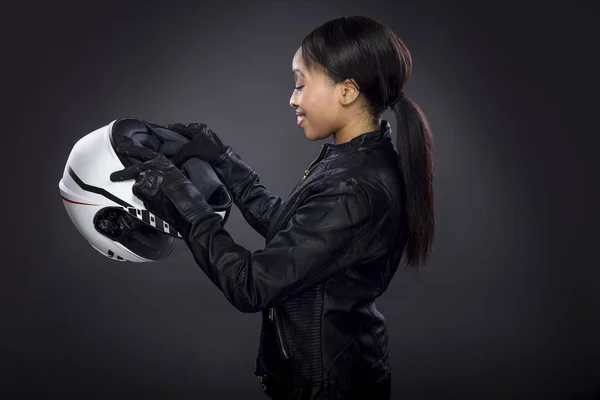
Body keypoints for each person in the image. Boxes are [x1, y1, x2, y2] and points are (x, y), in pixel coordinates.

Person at [110, 15, 435, 400]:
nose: (292, 98)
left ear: (347, 91)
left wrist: (181, 196)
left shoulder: (356, 186)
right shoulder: (353, 160)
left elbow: (252, 284)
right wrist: (224, 160)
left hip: (327, 390)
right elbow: (294, 234)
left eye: (300, 84)